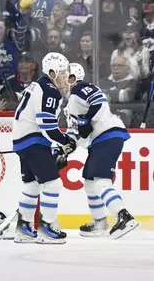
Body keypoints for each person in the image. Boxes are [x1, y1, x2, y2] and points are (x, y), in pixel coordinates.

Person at [65, 63, 139, 239]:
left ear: (73, 77)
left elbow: (98, 101)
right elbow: (74, 135)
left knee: (100, 181)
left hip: (108, 136)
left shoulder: (81, 88)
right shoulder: (70, 102)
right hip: (101, 140)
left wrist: (86, 120)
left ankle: (124, 216)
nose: (61, 79)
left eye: (64, 75)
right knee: (90, 182)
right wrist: (63, 151)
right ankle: (100, 222)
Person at [12, 52, 77, 244]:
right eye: (63, 71)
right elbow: (46, 125)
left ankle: (23, 228)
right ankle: (47, 227)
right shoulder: (49, 89)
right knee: (53, 183)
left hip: (22, 141)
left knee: (31, 185)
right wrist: (65, 140)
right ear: (52, 71)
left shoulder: (36, 85)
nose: (66, 76)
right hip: (34, 141)